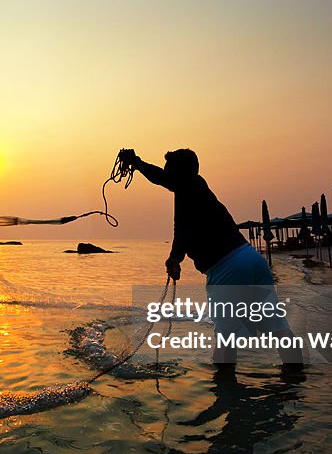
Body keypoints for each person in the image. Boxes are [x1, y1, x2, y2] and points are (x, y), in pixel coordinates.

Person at [117, 148, 303, 372]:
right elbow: (181, 227)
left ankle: (224, 393)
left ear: (179, 172)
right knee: (277, 327)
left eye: (169, 169)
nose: (166, 174)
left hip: (227, 268)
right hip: (252, 258)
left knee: (226, 339)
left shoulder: (189, 185)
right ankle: (296, 384)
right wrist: (175, 257)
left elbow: (176, 215)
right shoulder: (194, 189)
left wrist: (136, 162)